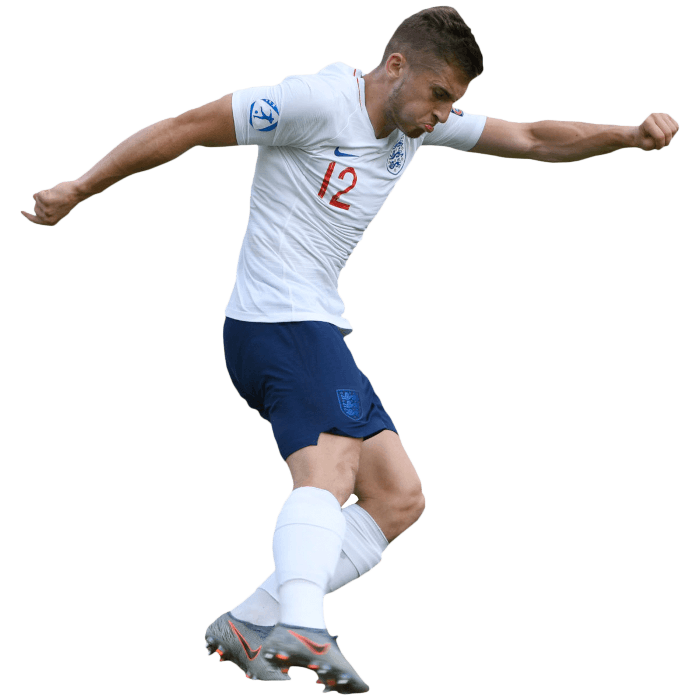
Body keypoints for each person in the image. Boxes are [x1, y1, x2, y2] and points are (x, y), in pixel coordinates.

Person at [20, 5, 679, 694]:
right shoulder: (313, 102)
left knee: (399, 498)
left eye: (453, 101)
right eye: (438, 94)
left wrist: (628, 135)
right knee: (330, 471)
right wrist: (81, 188)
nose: (442, 114)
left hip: (316, 329)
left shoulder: (419, 122)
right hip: (275, 322)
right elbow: (186, 128)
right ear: (395, 66)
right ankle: (303, 626)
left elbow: (533, 138)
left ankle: (250, 621)